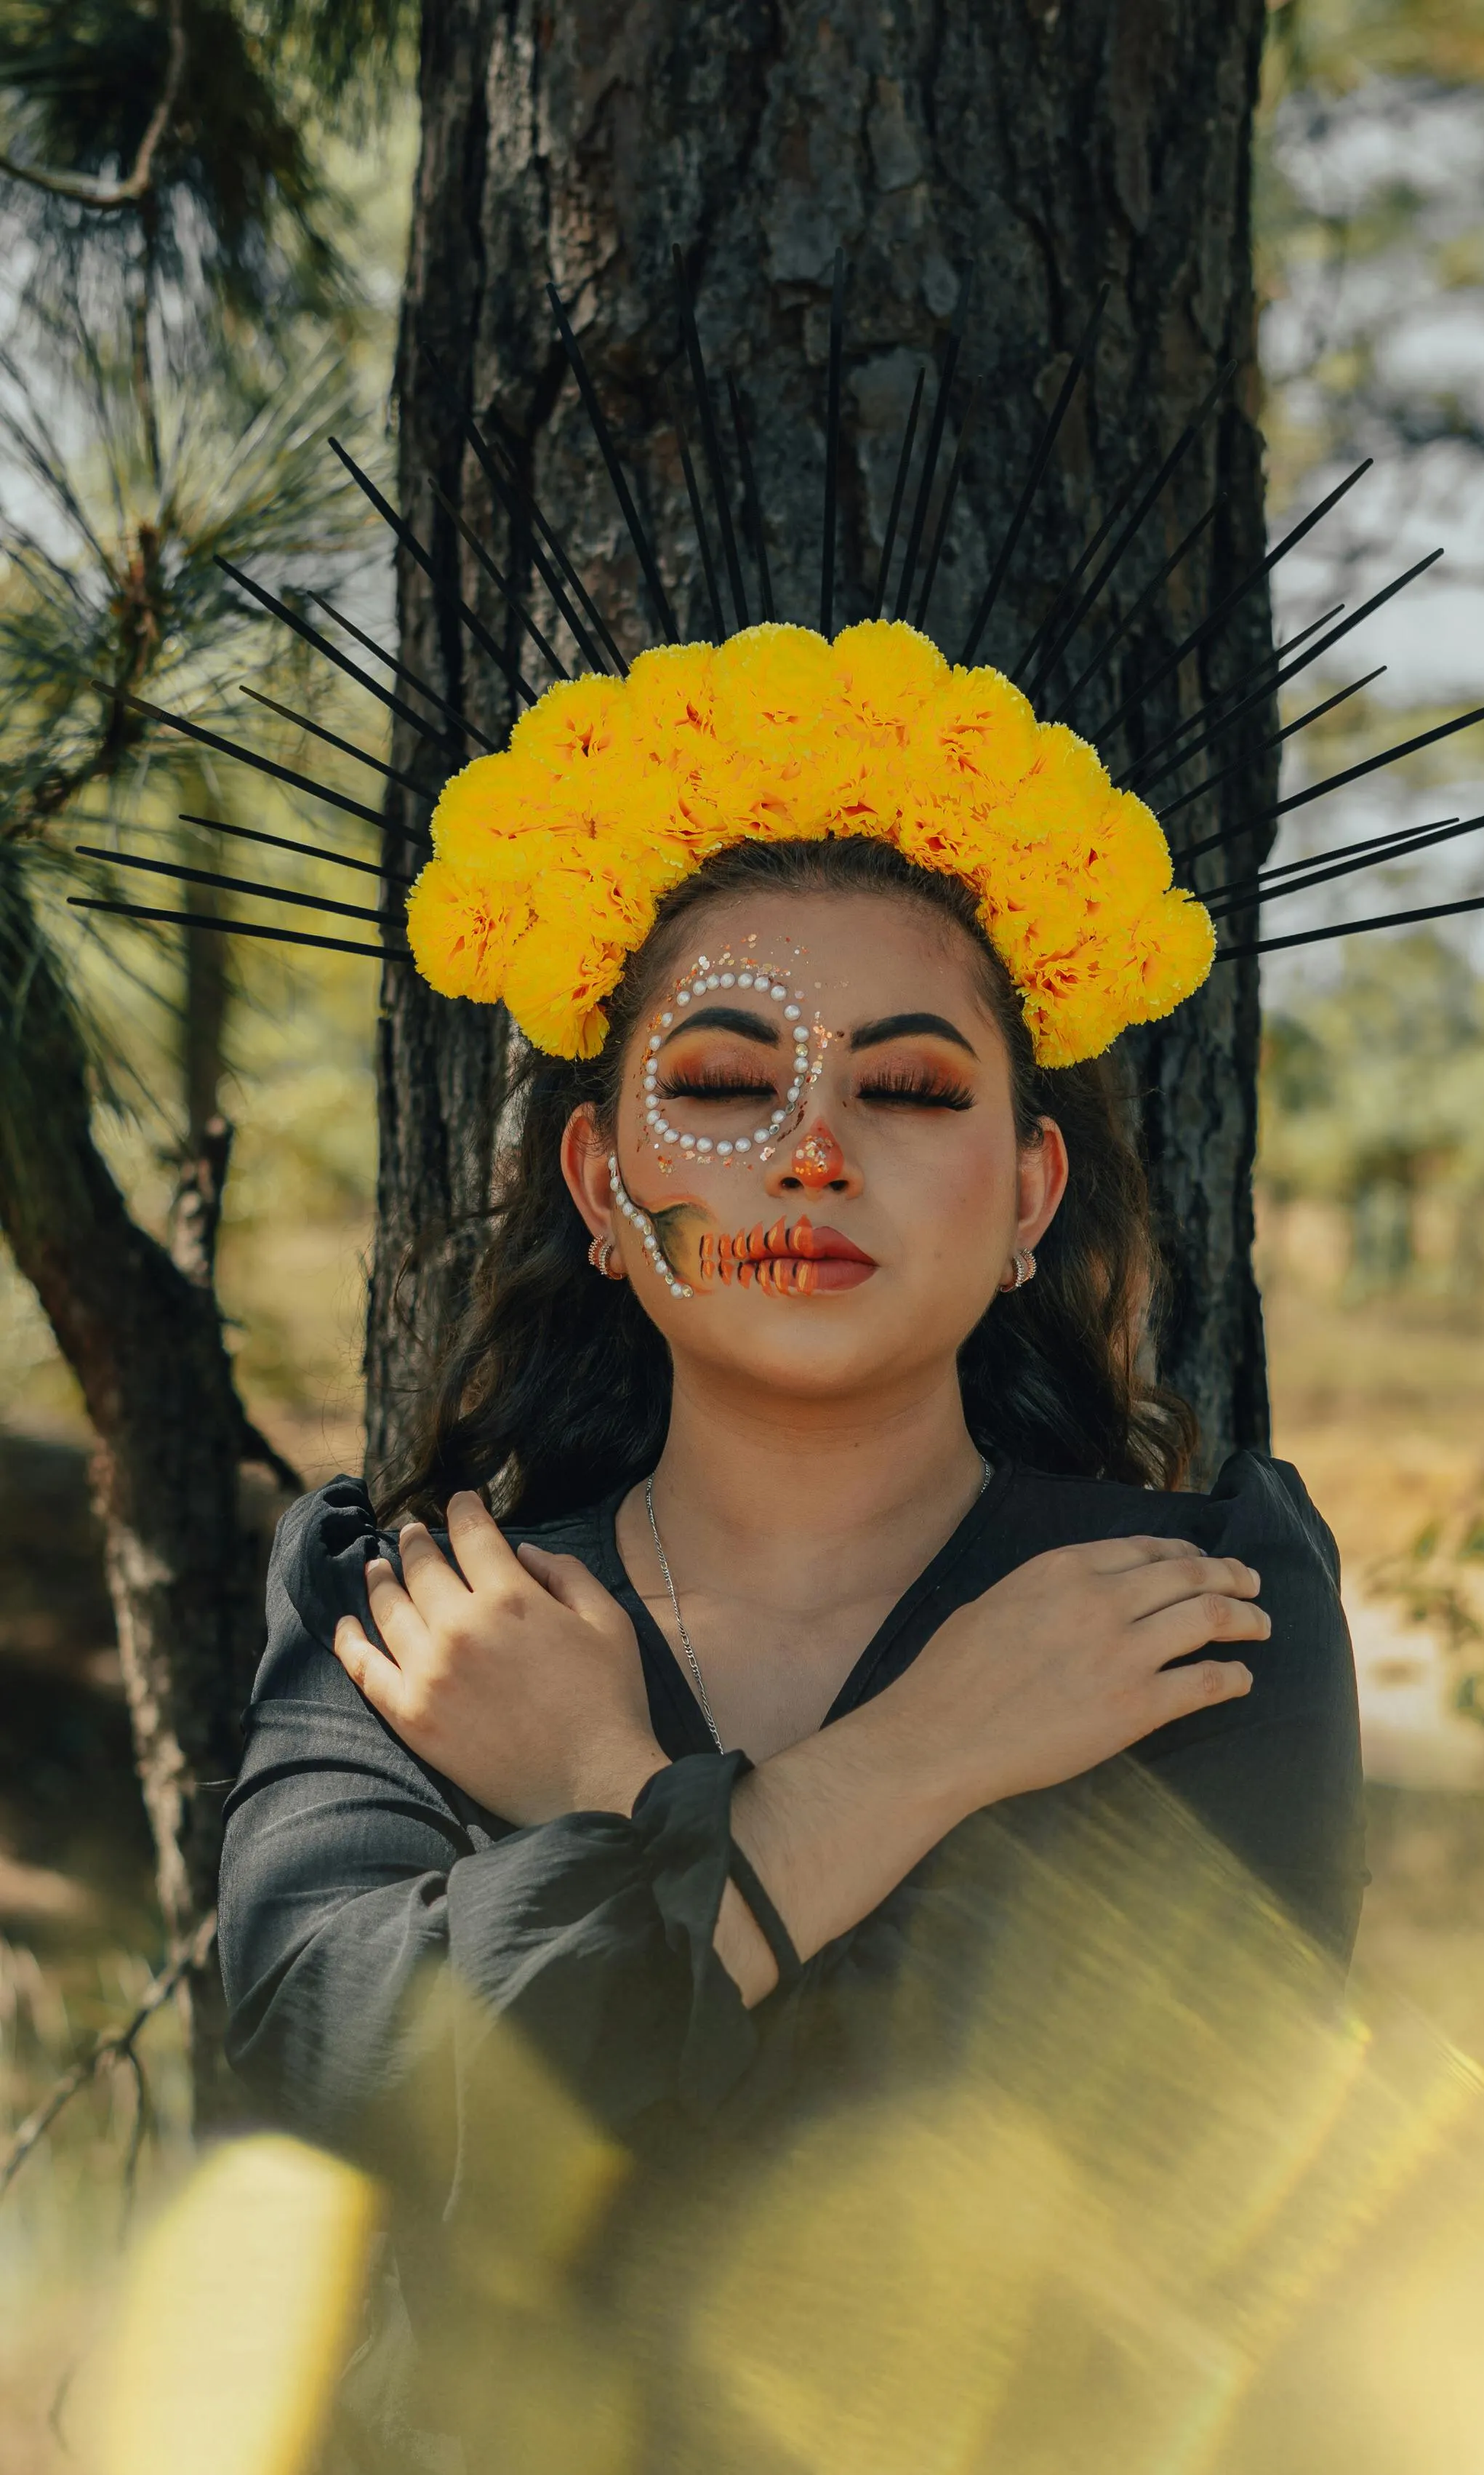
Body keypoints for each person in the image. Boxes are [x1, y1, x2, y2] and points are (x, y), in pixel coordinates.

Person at [219, 719, 1363, 2171]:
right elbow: (341, 2104)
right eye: (717, 1082)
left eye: (909, 1089)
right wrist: (921, 1756)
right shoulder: (414, 1620)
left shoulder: (1201, 1622)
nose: (812, 1152)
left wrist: (594, 1789)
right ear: (601, 1185)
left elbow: (1128, 2193)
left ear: (1028, 1197)